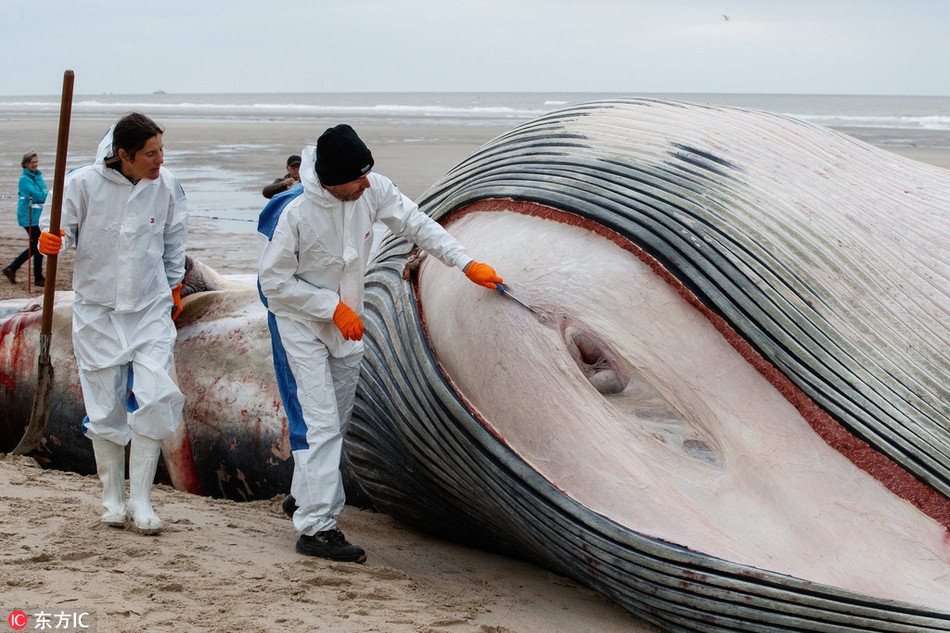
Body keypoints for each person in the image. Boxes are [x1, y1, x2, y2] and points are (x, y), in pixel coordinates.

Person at [257, 124, 503, 563]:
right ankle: (316, 528)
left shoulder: (371, 189)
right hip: (302, 326)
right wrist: (328, 306)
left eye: (369, 173)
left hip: (349, 325)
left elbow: (416, 223)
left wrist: (466, 264)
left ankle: (304, 494)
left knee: (339, 416)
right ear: (331, 179)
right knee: (321, 423)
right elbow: (272, 282)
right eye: (357, 177)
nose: (367, 182)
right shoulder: (295, 213)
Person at [38, 112, 188, 535]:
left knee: (156, 397)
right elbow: (59, 228)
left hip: (150, 308)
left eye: (161, 150)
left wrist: (174, 284)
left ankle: (142, 500)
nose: (159, 159)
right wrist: (52, 241)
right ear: (123, 155)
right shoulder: (83, 183)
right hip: (97, 311)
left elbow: (176, 237)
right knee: (104, 409)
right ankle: (113, 501)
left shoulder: (167, 185)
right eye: (150, 153)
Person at [4, 151, 48, 286]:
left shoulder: (38, 176)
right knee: (38, 245)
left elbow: (45, 191)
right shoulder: (24, 179)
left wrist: (43, 193)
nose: (34, 164)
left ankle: (12, 268)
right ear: (25, 164)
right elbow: (37, 195)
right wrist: (43, 193)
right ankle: (37, 277)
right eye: (31, 162)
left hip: (37, 215)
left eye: (36, 162)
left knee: (36, 245)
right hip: (27, 216)